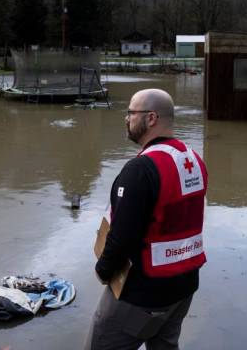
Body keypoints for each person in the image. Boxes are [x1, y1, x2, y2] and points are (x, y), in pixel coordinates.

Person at [86, 88, 208, 350]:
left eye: (131, 113)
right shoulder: (193, 159)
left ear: (151, 118)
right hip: (184, 286)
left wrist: (103, 270)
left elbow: (123, 236)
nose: (126, 119)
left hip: (143, 293)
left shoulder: (141, 169)